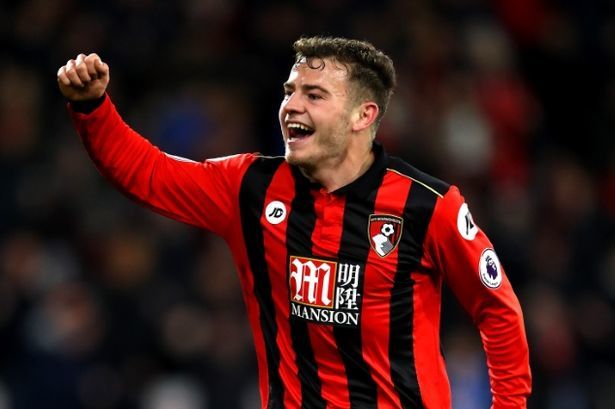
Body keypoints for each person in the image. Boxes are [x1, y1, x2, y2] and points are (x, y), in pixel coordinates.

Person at [57, 36, 531, 408]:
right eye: (290, 91)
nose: (291, 106)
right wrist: (92, 108)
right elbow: (147, 174)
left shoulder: (428, 206)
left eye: (314, 94)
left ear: (362, 115)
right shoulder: (250, 187)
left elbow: (498, 312)